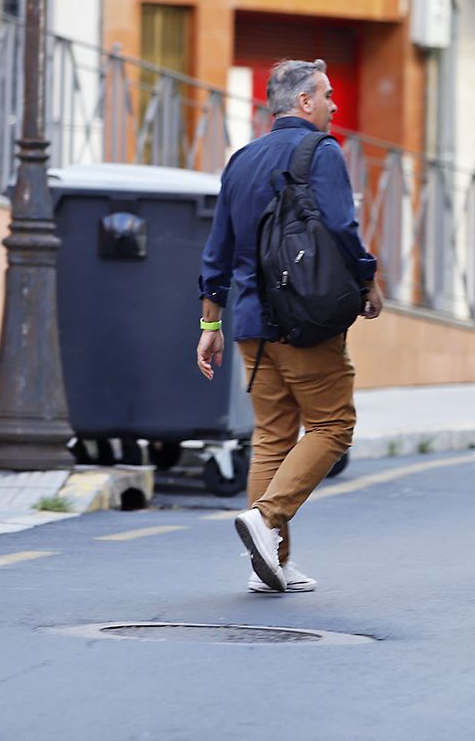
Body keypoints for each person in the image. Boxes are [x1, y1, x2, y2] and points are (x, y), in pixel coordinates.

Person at [197, 58, 383, 594]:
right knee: (333, 427)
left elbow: (218, 250)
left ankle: (272, 564)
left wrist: (211, 320)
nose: (334, 104)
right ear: (303, 102)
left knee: (273, 436)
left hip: (252, 322)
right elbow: (343, 228)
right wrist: (368, 279)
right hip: (304, 319)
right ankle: (268, 517)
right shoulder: (321, 152)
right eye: (326, 95)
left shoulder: (241, 159)